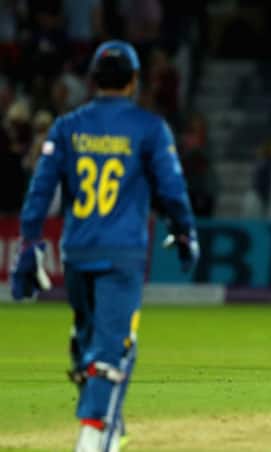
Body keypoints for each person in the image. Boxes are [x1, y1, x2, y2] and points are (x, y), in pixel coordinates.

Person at [11, 40, 199, 452]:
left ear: (93, 80)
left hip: (77, 250)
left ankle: (109, 429)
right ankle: (93, 436)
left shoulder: (67, 126)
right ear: (134, 81)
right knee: (115, 347)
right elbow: (172, 190)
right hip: (123, 253)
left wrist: (30, 244)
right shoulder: (149, 128)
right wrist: (185, 232)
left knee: (89, 341)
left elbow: (39, 193)